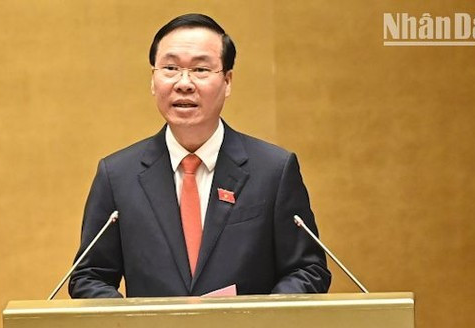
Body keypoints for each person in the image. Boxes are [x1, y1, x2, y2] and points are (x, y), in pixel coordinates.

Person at [68, 13, 330, 298]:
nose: (183, 83)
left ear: (227, 81)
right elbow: (89, 276)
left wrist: (263, 317)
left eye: (201, 70)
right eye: (170, 68)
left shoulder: (274, 171)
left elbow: (308, 269)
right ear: (153, 80)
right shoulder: (117, 175)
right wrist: (132, 326)